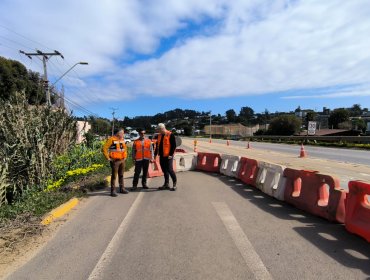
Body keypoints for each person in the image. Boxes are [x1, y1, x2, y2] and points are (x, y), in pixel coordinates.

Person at [102, 128, 129, 196]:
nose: (123, 134)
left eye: (123, 133)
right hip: (115, 161)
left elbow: (125, 149)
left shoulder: (122, 140)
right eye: (122, 133)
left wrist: (125, 156)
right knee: (114, 176)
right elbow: (104, 148)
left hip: (122, 160)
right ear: (118, 133)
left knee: (121, 175)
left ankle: (122, 188)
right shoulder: (111, 139)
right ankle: (113, 191)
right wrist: (108, 158)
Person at [154, 123, 177, 191]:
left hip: (168, 156)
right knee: (164, 170)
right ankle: (166, 184)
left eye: (158, 129)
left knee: (170, 170)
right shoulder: (159, 136)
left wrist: (170, 154)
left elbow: (173, 146)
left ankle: (174, 184)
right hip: (162, 156)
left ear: (162, 128)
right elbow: (157, 146)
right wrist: (155, 155)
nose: (158, 131)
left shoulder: (170, 134)